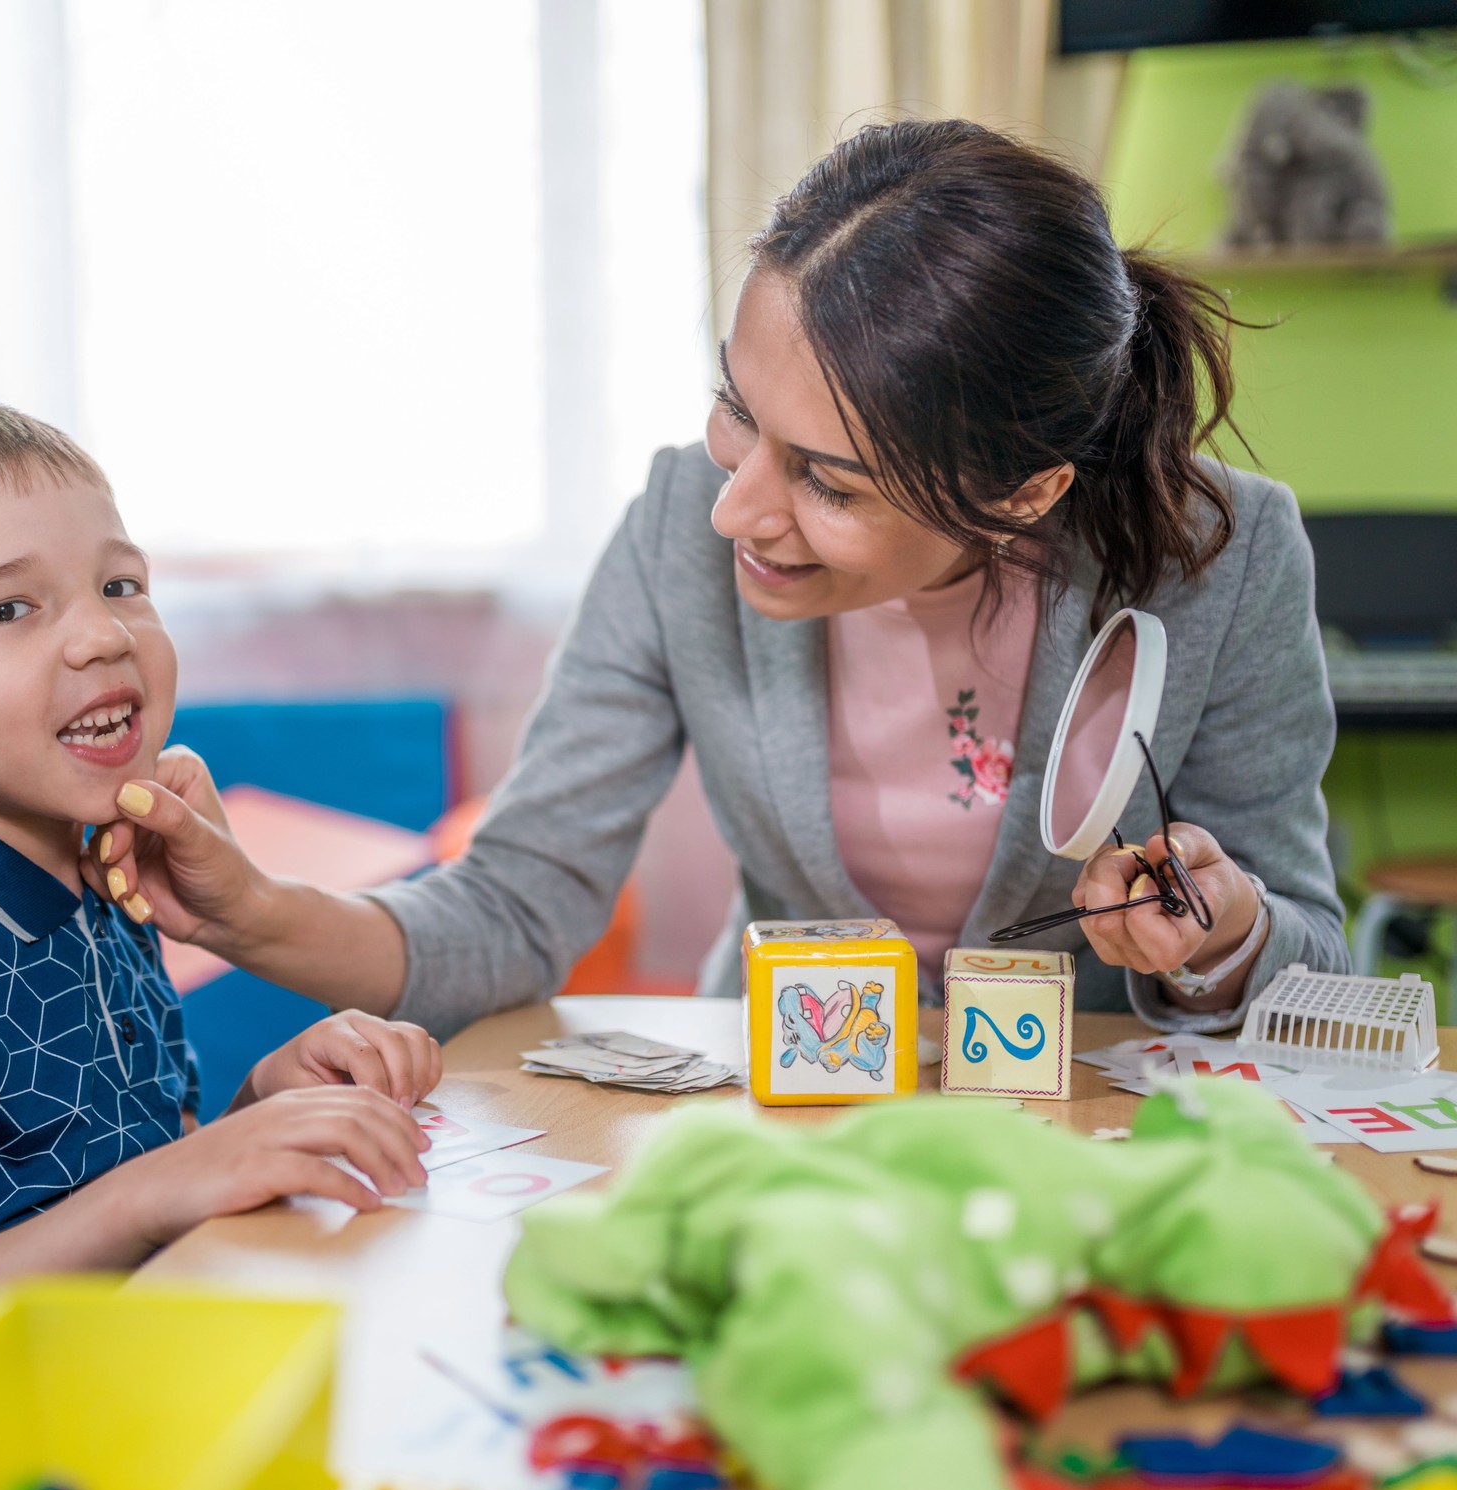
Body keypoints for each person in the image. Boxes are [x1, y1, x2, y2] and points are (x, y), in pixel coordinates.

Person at [89, 119, 1349, 1044]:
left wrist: (1224, 938)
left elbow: (1312, 961)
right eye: (736, 413)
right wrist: (248, 908)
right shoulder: (677, 520)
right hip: (778, 1118)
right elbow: (521, 906)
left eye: (830, 483)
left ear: (1026, 492)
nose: (736, 508)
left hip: (1084, 1133)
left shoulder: (1223, 557)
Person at [0, 406, 442, 1418]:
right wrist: (166, 1183)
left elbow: (132, 1187)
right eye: (10, 609)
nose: (104, 634)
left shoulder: (101, 868)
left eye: (121, 585)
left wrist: (257, 1116)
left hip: (142, 1389)